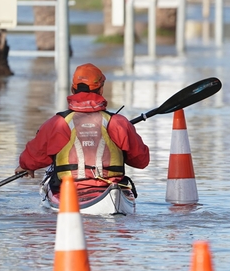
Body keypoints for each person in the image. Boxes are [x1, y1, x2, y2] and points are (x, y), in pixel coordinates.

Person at [15, 63, 150, 194]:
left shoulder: (57, 123)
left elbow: (36, 154)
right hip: (110, 189)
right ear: (101, 90)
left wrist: (25, 166)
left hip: (69, 192)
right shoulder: (118, 122)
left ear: (73, 90)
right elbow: (141, 161)